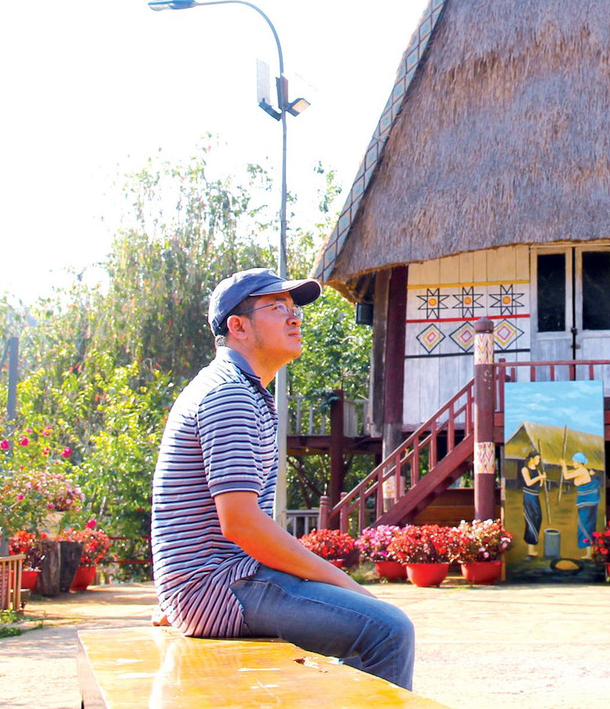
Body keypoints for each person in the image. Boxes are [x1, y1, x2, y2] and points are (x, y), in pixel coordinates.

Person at [150, 268, 415, 689]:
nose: (295, 318)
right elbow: (239, 523)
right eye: (276, 308)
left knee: (361, 629)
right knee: (388, 629)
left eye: (294, 309)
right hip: (219, 585)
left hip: (213, 582)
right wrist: (345, 584)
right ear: (238, 327)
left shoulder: (243, 389)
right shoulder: (228, 395)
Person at [560, 451, 601, 550]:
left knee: (585, 524)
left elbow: (566, 476)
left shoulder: (581, 470)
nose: (573, 464)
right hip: (588, 501)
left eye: (574, 462)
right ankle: (588, 550)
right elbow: (570, 473)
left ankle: (587, 549)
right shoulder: (581, 470)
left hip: (586, 502)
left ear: (578, 463)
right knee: (587, 523)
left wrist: (563, 465)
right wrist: (565, 468)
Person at [519, 449, 545, 557]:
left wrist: (542, 479)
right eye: (537, 459)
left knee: (538, 517)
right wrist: (540, 477)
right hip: (529, 496)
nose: (538, 461)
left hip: (536, 496)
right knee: (531, 518)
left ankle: (533, 543)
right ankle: (530, 548)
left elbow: (539, 485)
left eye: (539, 459)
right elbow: (528, 482)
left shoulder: (538, 471)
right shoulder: (525, 469)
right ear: (531, 459)